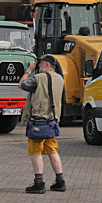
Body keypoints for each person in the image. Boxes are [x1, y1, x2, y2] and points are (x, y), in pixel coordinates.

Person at [20, 55, 66, 194]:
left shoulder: (38, 78)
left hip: (38, 120)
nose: (38, 65)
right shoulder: (60, 78)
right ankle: (60, 182)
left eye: (39, 63)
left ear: (46, 65)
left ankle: (39, 183)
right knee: (52, 150)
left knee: (36, 151)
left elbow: (21, 84)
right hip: (52, 120)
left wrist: (29, 70)